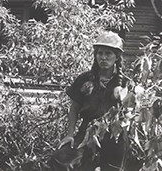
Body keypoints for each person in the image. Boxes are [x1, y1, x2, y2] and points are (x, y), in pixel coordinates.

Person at [49, 31, 131, 171]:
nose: (103, 58)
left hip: (114, 136)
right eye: (100, 53)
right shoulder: (85, 79)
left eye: (108, 54)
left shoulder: (126, 83)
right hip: (87, 132)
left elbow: (130, 113)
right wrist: (70, 135)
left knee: (112, 168)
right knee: (61, 160)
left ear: (117, 57)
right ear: (95, 55)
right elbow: (74, 108)